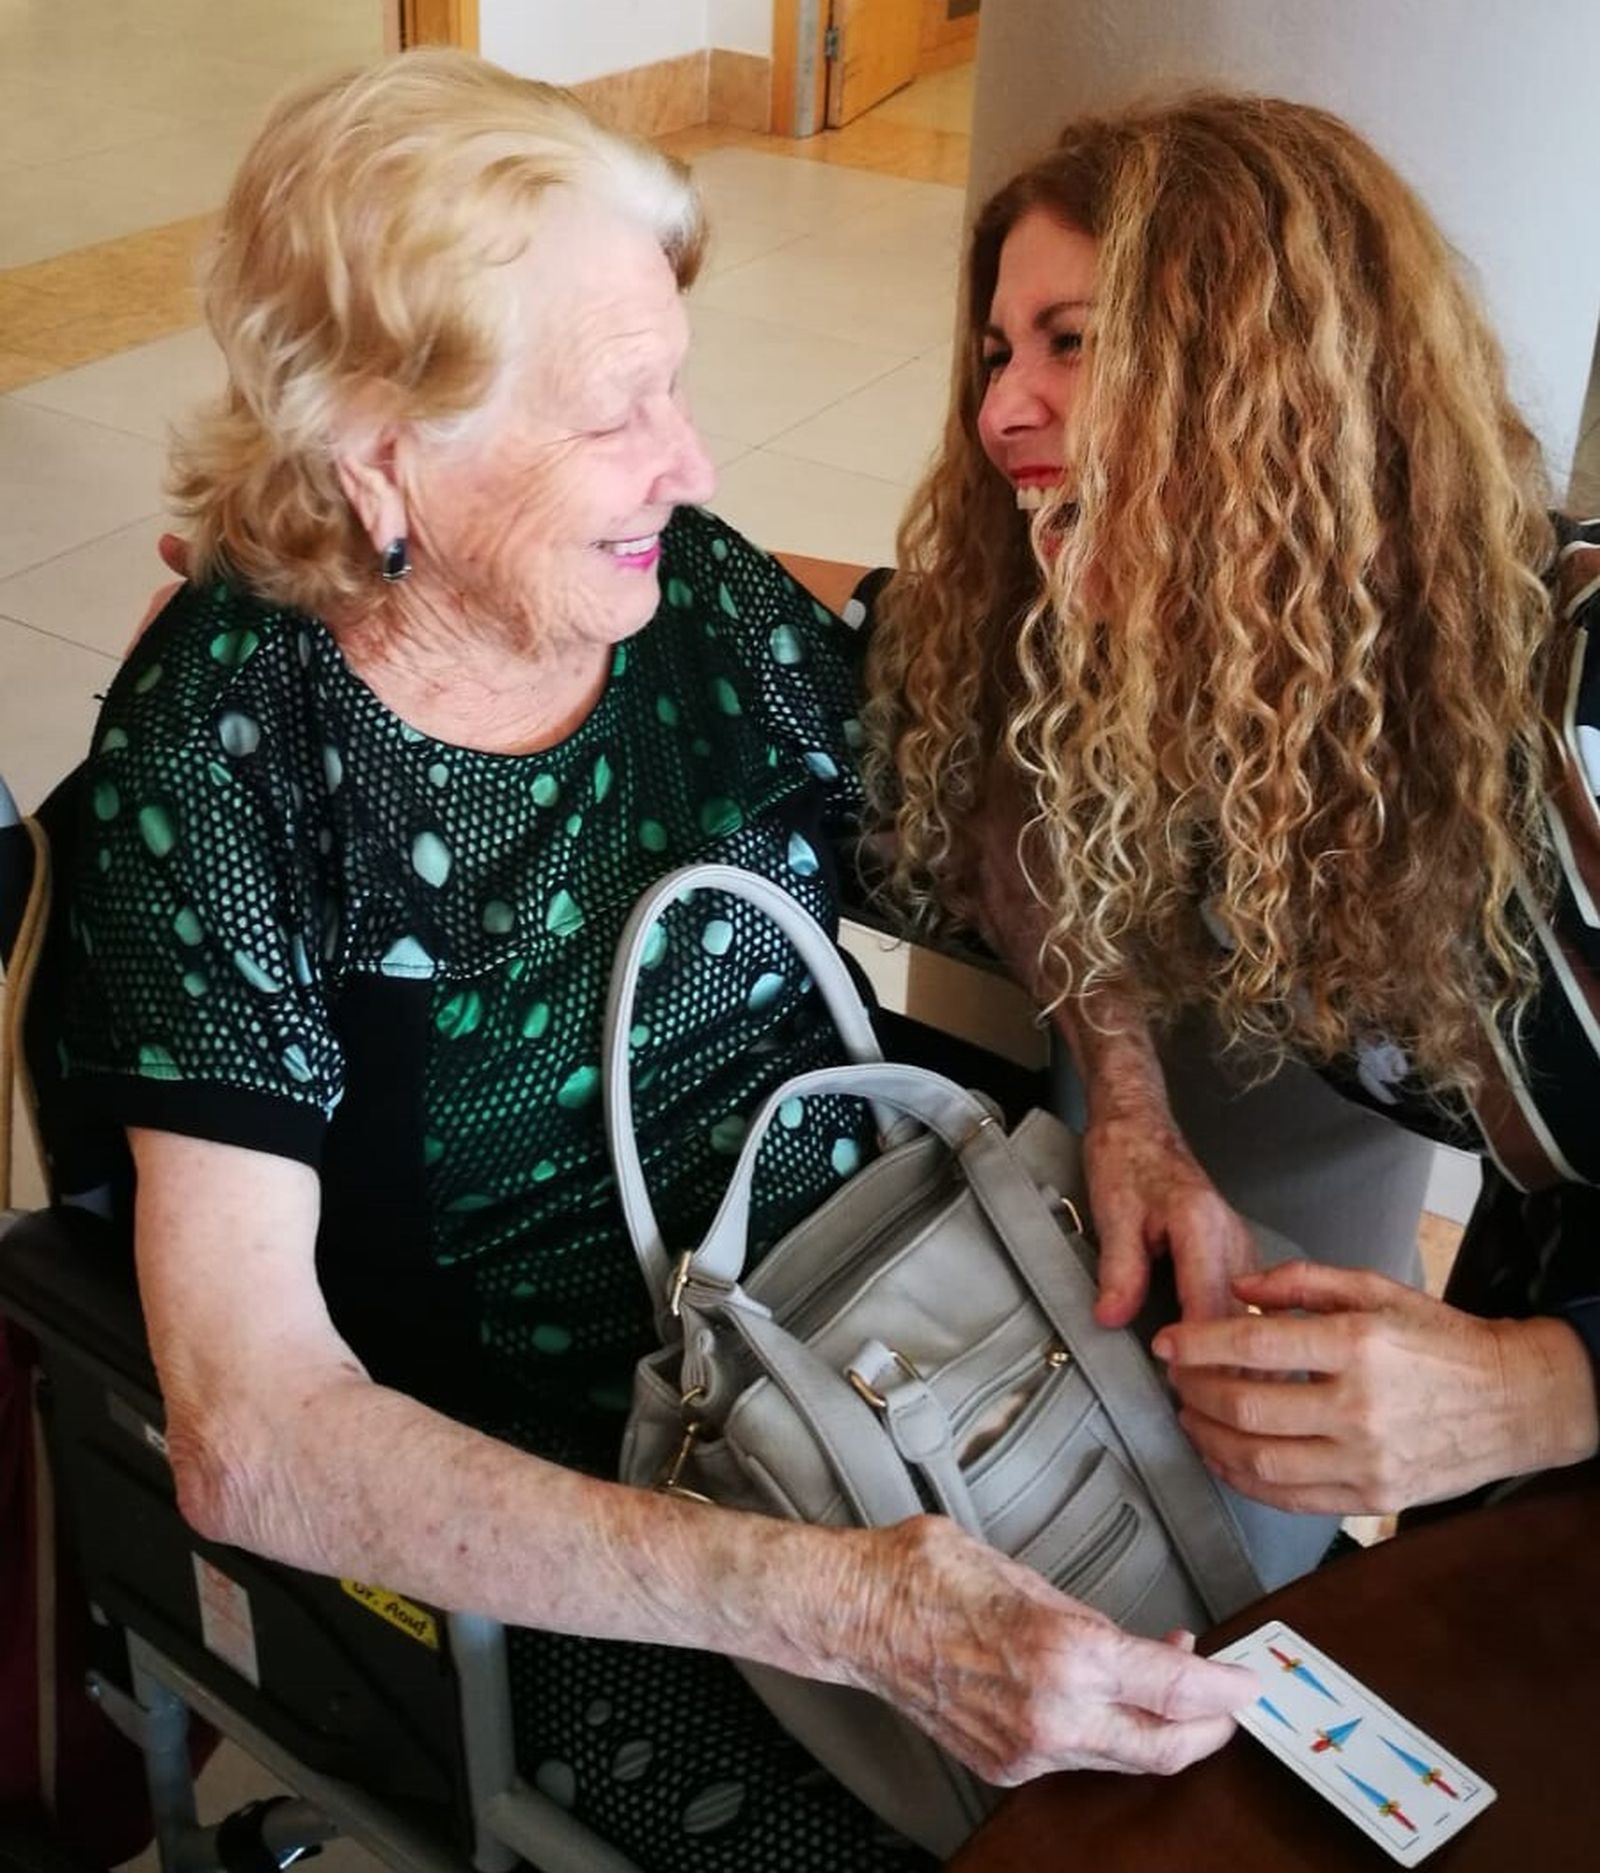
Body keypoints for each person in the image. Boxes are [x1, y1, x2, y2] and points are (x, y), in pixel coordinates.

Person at [54, 52, 1255, 1871]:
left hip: (885, 1334)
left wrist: (1136, 1108)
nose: (690, 465)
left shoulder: (682, 591)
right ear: (386, 448)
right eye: (623, 411)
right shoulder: (233, 755)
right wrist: (848, 1603)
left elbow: (965, 818)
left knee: (1235, 1698)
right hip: (582, 1523)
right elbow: (252, 1427)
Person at [865, 91, 1600, 1519]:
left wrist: (1546, 1385)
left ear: (1267, 377)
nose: (1000, 407)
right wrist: (1127, 1097)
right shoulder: (1153, 650)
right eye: (998, 351)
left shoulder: (1579, 681)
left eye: (1072, 344)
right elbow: (1010, 783)